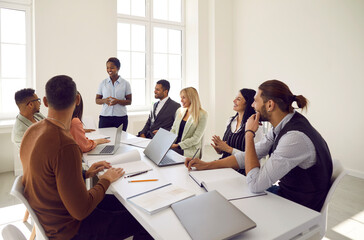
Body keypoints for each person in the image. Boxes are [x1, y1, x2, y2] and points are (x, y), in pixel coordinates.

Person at [20, 75, 151, 239]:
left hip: (50, 218)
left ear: (45, 101)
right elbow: (81, 211)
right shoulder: (66, 145)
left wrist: (84, 174)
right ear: (77, 99)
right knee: (144, 220)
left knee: (128, 205)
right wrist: (106, 180)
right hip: (71, 230)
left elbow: (49, 174)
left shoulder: (31, 131)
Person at [186, 80, 333, 212]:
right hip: (286, 193)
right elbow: (246, 156)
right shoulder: (282, 126)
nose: (252, 105)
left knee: (230, 204)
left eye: (255, 101)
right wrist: (206, 165)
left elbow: (255, 184)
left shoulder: (294, 137)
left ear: (269, 105)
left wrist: (249, 134)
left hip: (298, 207)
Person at [211, 88, 263, 159]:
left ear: (248, 103)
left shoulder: (256, 127)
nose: (234, 101)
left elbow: (254, 157)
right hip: (224, 164)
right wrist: (220, 150)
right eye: (235, 98)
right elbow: (225, 149)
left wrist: (228, 149)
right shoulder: (230, 121)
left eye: (238, 99)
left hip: (240, 169)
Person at [170, 87, 208, 158]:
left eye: (184, 98)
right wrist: (168, 142)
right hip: (174, 145)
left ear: (191, 98)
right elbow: (173, 129)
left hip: (189, 150)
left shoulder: (202, 115)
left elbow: (196, 139)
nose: (181, 100)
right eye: (181, 97)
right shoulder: (180, 111)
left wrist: (178, 145)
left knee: (168, 153)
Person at [96, 57, 131, 131]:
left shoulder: (125, 84)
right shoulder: (103, 83)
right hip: (105, 117)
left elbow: (129, 101)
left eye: (112, 68)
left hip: (120, 118)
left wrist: (118, 101)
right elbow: (97, 100)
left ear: (118, 68)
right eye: (107, 68)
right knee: (104, 140)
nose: (109, 70)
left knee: (120, 140)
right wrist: (104, 100)